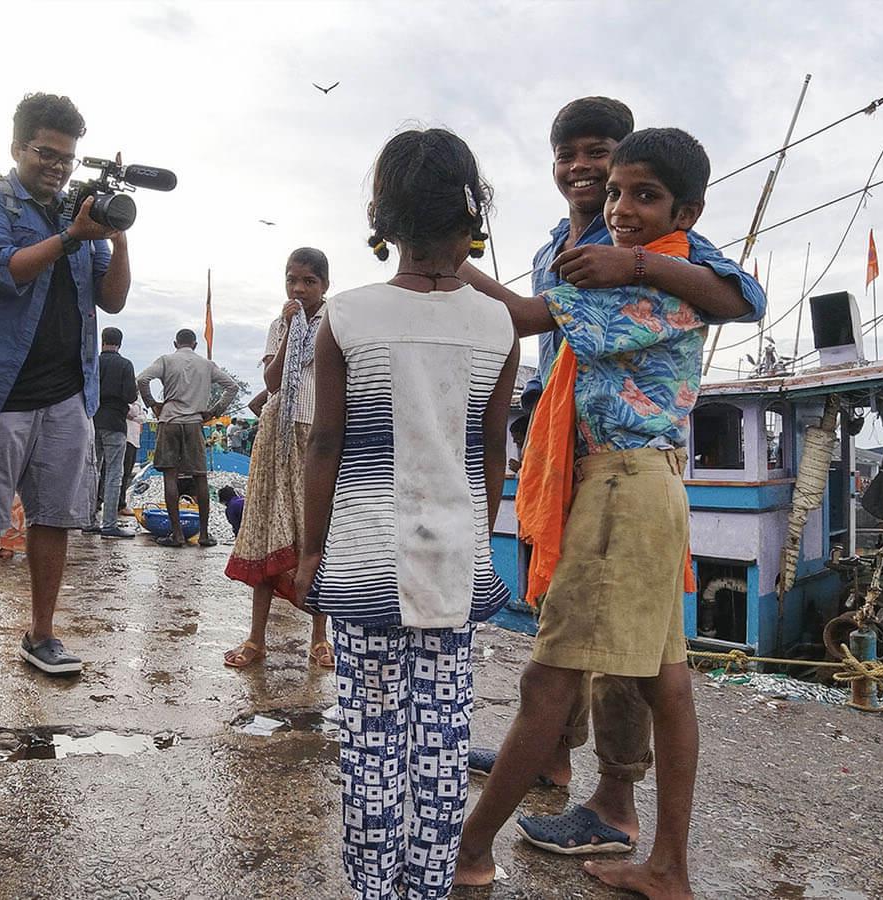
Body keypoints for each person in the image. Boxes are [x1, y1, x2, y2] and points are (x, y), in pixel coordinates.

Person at [459, 97, 766, 867]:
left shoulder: (655, 247)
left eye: (600, 153)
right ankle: (559, 767)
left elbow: (743, 297)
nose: (586, 171)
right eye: (568, 154)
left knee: (602, 655)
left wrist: (634, 261)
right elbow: (538, 326)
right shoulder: (552, 246)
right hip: (566, 449)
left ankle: (607, 803)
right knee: (593, 633)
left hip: (620, 467)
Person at [293, 127, 519, 900]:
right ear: (470, 218)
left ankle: (372, 890)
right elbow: (492, 452)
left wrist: (308, 551)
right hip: (453, 556)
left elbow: (325, 442)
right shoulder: (498, 326)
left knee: (371, 739)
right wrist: (475, 538)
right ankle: (427, 885)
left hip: (361, 557)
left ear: (381, 219)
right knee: (440, 740)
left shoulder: (347, 317)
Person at [0, 92, 131, 680]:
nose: (57, 166)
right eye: (46, 153)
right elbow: (0, 272)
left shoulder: (81, 218)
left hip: (68, 394)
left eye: (67, 157)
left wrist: (117, 234)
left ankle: (41, 634)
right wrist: (72, 236)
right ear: (18, 146)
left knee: (56, 518)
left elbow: (113, 298)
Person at [222, 248, 333, 669]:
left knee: (316, 535)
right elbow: (271, 381)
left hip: (318, 435)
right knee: (268, 529)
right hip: (277, 434)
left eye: (309, 281)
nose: (299, 289)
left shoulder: (336, 323)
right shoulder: (278, 324)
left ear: (325, 284)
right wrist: (290, 329)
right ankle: (256, 639)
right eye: (292, 280)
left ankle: (320, 638)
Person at [136, 328, 240, 548]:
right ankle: (203, 534)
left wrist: (153, 404)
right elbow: (232, 386)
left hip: (170, 421)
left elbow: (143, 379)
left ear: (175, 343)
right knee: (200, 477)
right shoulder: (206, 365)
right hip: (194, 423)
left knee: (170, 477)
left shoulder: (166, 360)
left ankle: (177, 535)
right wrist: (215, 410)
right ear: (194, 345)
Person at [92, 326, 137, 538]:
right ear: (120, 343)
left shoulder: (93, 362)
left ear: (102, 341)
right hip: (115, 424)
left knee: (92, 471)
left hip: (92, 421)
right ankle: (109, 524)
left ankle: (88, 520)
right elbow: (130, 395)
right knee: (113, 474)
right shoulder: (125, 365)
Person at [119, 400, 145, 516]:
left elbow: (142, 417)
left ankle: (120, 502)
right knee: (122, 473)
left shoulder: (137, 400)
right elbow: (132, 412)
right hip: (127, 438)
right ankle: (120, 504)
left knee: (127, 472)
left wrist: (138, 415)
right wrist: (137, 413)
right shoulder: (130, 398)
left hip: (134, 440)